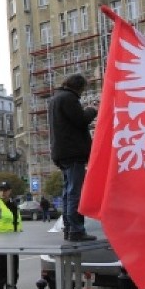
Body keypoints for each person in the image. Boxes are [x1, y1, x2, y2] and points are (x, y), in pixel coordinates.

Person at [49, 73, 98, 241]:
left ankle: (69, 228)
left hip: (61, 152)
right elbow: (81, 120)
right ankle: (76, 229)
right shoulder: (69, 98)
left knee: (68, 191)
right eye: (83, 88)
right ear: (78, 87)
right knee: (74, 192)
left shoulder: (56, 98)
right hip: (73, 151)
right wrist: (92, 109)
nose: (83, 92)